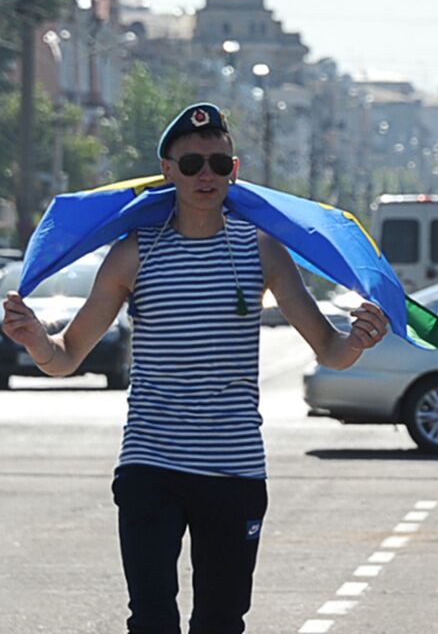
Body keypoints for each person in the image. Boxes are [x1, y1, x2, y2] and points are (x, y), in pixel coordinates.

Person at [1, 103, 389, 634]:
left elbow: (329, 348)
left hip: (233, 469)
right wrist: (36, 340)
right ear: (167, 170)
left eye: (218, 163)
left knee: (221, 621)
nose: (205, 175)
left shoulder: (263, 251)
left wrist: (360, 341)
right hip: (150, 465)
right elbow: (67, 355)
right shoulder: (134, 254)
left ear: (234, 168)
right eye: (190, 165)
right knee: (152, 618)